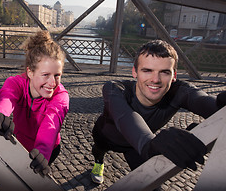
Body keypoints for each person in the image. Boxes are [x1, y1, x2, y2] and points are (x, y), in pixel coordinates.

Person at [90, 39, 226, 184]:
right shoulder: (114, 89)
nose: (155, 79)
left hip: (135, 147)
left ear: (174, 76)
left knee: (151, 184)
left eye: (165, 72)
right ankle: (99, 162)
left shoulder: (180, 91)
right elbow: (126, 117)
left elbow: (203, 101)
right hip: (106, 137)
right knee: (99, 150)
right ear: (134, 72)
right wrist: (150, 144)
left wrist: (219, 107)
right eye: (147, 70)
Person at [0, 30, 69, 177]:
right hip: (18, 144)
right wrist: (2, 112)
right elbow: (7, 95)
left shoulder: (61, 96)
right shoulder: (17, 83)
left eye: (57, 75)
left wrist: (42, 151)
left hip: (46, 150)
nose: (52, 83)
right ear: (30, 72)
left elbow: (51, 123)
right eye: (45, 75)